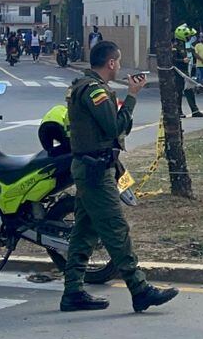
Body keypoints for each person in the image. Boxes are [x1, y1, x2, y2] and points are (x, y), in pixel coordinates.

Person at [61, 40, 178, 313]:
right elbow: (114, 126)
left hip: (92, 167)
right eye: (118, 61)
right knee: (116, 229)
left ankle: (72, 291)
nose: (119, 66)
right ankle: (139, 289)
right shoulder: (94, 91)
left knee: (84, 232)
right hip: (95, 171)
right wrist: (133, 95)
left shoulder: (87, 86)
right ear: (111, 63)